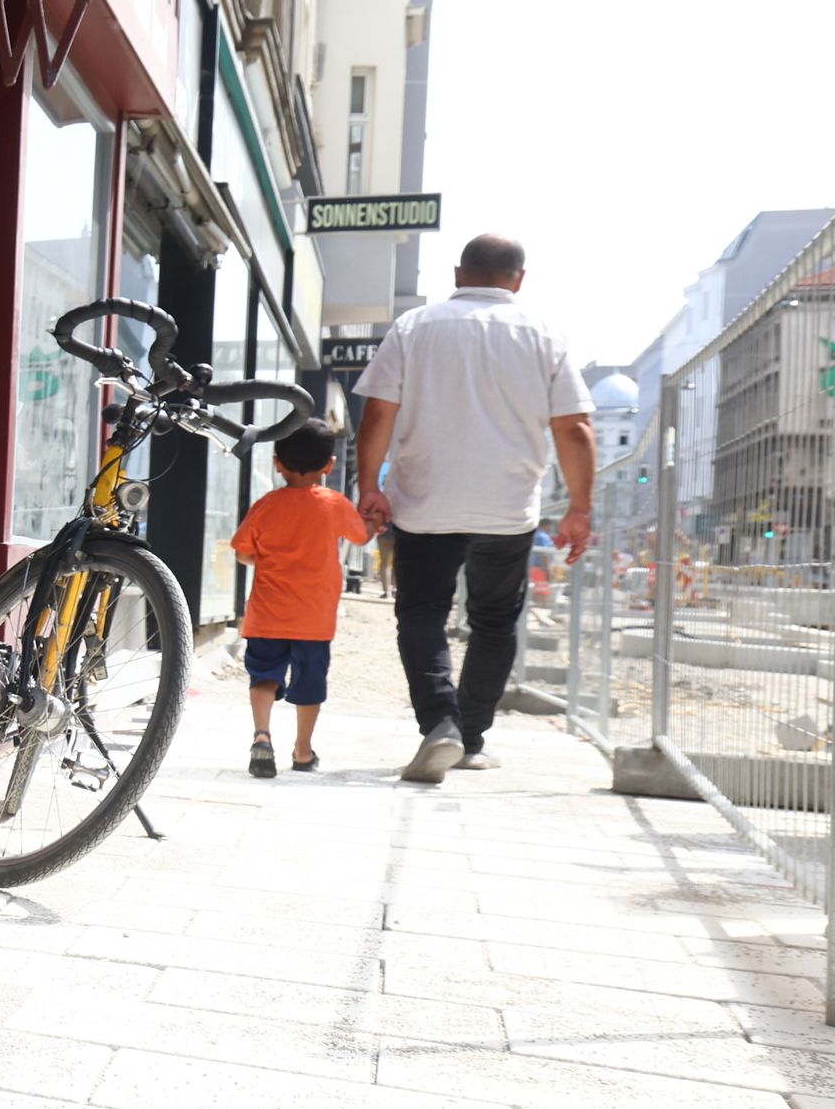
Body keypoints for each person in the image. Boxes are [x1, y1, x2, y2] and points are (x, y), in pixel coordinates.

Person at [354, 232, 595, 784]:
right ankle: (470, 738)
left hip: (425, 501)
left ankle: (440, 723)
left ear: (459, 275)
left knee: (422, 614)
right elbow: (575, 426)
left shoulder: (415, 327)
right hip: (507, 508)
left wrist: (370, 485)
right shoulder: (544, 334)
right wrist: (580, 508)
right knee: (492, 622)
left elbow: (377, 413)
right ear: (519, 280)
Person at [228, 421, 366, 778]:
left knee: (263, 676)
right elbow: (361, 536)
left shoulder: (266, 505)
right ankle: (303, 751)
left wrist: (264, 558)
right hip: (314, 619)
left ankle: (261, 736)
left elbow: (242, 552)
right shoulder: (334, 504)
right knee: (310, 685)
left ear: (277, 463)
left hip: (268, 614)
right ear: (329, 465)